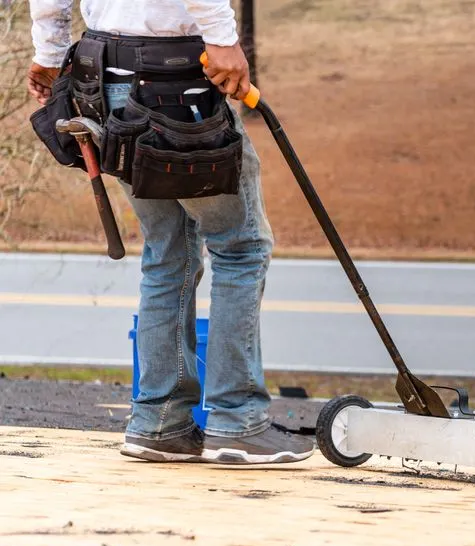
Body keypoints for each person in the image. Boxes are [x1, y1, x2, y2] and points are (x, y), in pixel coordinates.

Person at [26, 0, 315, 465]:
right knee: (241, 247)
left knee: (167, 252)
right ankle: (236, 421)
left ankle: (159, 424)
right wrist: (222, 39)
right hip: (177, 82)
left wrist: (50, 50)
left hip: (103, 78)